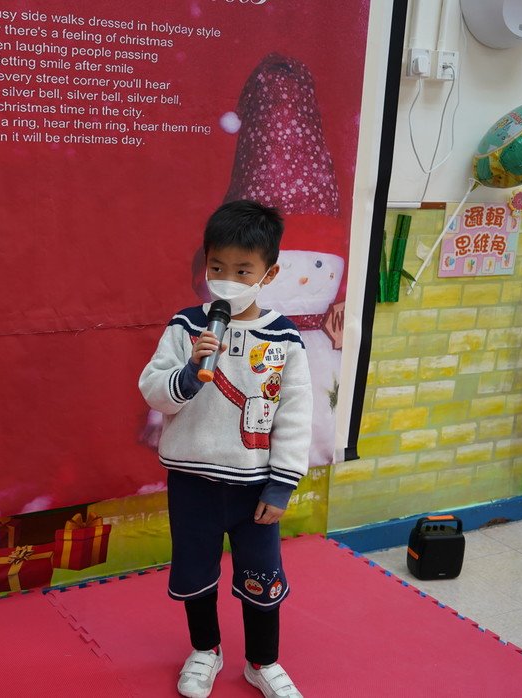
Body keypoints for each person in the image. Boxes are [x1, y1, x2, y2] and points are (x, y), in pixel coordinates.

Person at [138, 200, 312, 698]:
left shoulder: (284, 337)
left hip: (255, 486)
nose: (227, 280)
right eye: (218, 268)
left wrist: (282, 484)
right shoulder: (185, 326)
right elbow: (152, 390)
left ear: (268, 274)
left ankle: (262, 661)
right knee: (196, 571)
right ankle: (205, 650)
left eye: (242, 271)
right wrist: (188, 374)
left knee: (262, 578)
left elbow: (296, 414)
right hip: (192, 481)